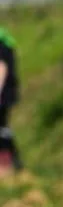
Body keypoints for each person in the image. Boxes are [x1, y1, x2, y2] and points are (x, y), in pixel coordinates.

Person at [0, 26, 20, 174]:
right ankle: (12, 165)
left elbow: (1, 69)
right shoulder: (6, 43)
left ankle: (6, 167)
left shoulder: (1, 45)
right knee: (3, 128)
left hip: (2, 95)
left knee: (2, 129)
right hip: (7, 94)